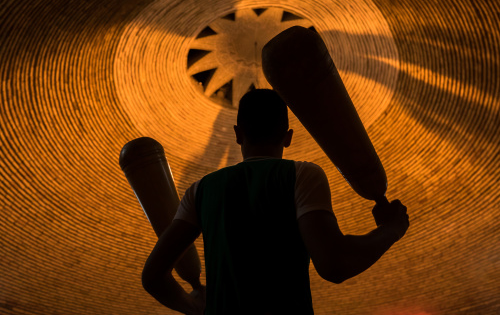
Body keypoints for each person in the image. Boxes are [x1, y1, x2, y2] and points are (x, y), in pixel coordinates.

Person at [141, 89, 409, 315]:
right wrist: (390, 230)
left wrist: (194, 306)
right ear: (288, 137)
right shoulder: (302, 175)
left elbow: (153, 277)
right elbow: (334, 264)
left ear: (237, 134)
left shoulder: (200, 190)